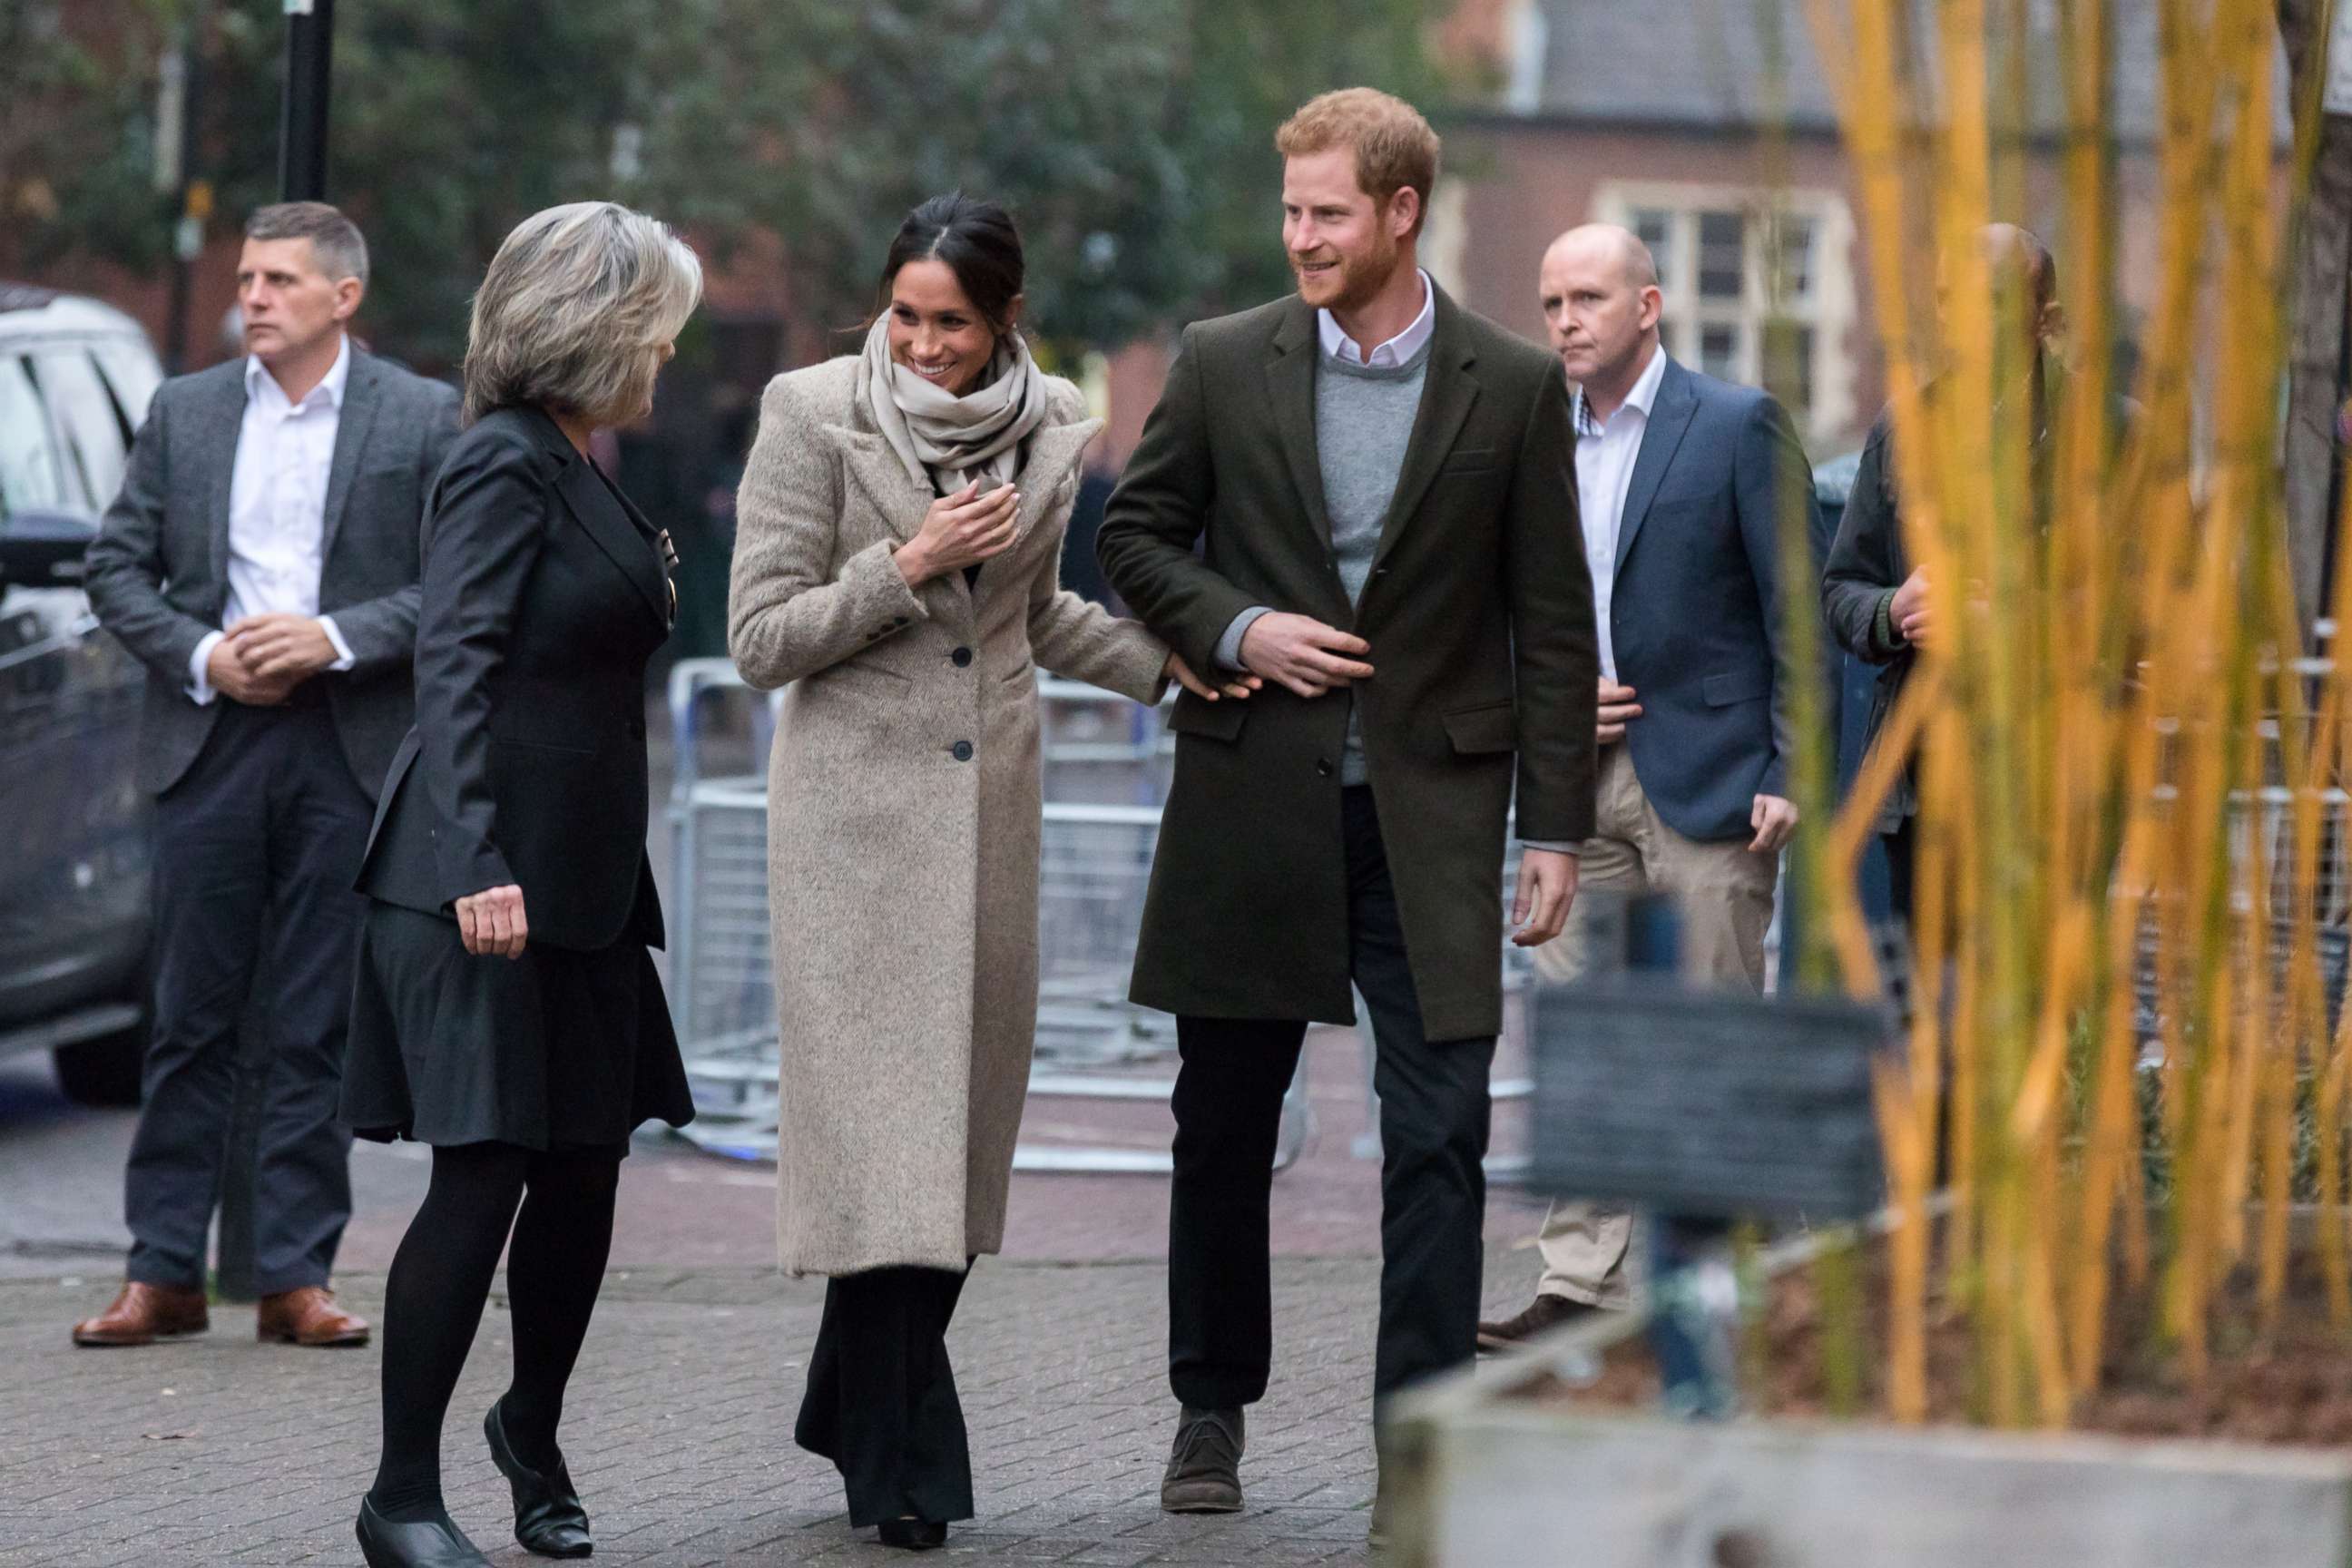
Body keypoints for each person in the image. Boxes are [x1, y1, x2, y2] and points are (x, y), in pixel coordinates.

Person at [1094, 89, 1596, 1531]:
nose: (1300, 237)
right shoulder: (1219, 359)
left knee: (1438, 1134)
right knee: (1224, 1124)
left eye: (1326, 213)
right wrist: (1241, 628)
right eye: (1291, 212)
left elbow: (1551, 622)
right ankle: (1209, 1406)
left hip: (1431, 816)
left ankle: (1419, 1449)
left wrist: (1551, 830)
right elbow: (1134, 532)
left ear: (1400, 214)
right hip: (1253, 797)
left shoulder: (1509, 384)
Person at [727, 191, 1247, 1553]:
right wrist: (904, 563)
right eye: (903, 315)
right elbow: (762, 635)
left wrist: (1181, 677)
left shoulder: (1051, 421)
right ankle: (904, 1472)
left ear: (1005, 318)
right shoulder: (810, 410)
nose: (921, 345)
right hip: (853, 825)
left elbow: (1042, 614)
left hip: (991, 814)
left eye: (950, 322)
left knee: (953, 1153)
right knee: (883, 1148)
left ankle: (847, 1405)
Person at [338, 201, 702, 1568]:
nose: (667, 347)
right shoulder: (498, 463)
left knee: (587, 1174)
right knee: (482, 1174)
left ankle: (531, 1433)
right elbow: (456, 662)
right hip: (474, 883)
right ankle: (401, 1497)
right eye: (655, 320)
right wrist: (477, 858)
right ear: (597, 324)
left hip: (589, 888)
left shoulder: (579, 460)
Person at [75, 201, 458, 1351]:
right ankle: (162, 1272)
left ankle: (293, 1274)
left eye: (279, 281)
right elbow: (114, 563)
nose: (252, 297)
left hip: (344, 740)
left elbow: (457, 582)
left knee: (313, 1021)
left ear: (343, 298)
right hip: (213, 739)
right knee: (187, 1015)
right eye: (246, 278)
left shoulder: (422, 416)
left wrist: (334, 637)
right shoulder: (184, 412)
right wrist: (204, 653)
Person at [1475, 223, 1825, 1350]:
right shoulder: (1532, 436)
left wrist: (1788, 765)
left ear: (1649, 306)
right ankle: (1581, 1287)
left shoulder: (1734, 425)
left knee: (1713, 1028)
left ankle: (1719, 1286)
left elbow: (1799, 615)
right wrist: (1545, 708)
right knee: (1588, 1029)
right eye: (1550, 302)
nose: (1565, 320)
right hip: (1578, 782)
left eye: (1586, 297)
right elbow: (1509, 607)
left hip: (1714, 779)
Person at [1821, 223, 2063, 922]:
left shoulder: (2103, 432)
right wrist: (1895, 610)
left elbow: (2147, 616)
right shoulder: (1905, 425)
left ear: (2043, 317)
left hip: (2057, 773)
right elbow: (1841, 590)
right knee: (1929, 1009)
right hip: (1927, 782)